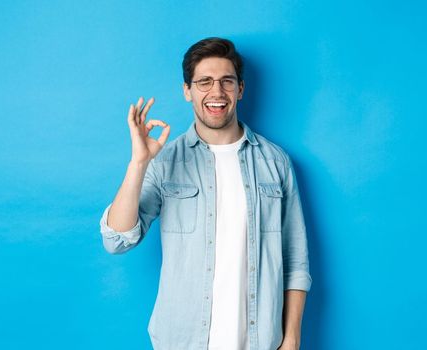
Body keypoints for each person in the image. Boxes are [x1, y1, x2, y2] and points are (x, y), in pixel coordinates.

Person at [98, 37, 311, 350]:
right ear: (187, 91)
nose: (216, 92)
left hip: (259, 342)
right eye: (204, 82)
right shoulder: (165, 161)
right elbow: (116, 240)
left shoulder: (275, 162)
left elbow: (295, 261)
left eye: (226, 81)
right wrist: (139, 163)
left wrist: (291, 339)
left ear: (240, 89)